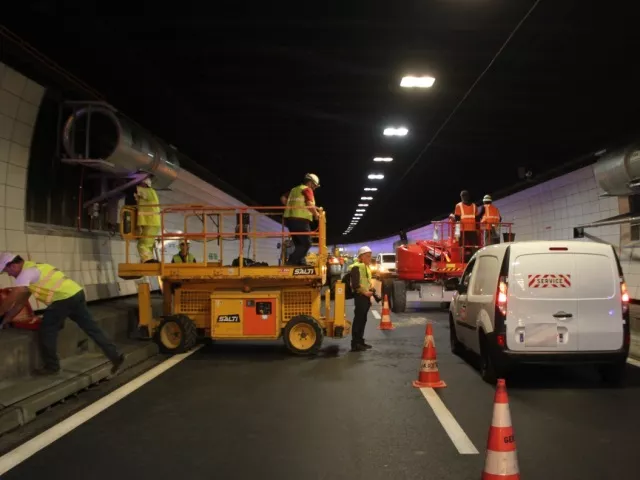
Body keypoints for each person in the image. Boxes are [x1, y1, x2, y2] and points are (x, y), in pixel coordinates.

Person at [0, 253, 125, 376]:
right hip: (76, 294)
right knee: (91, 328)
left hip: (62, 300)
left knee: (47, 330)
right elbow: (20, 303)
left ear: (12, 266)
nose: (9, 274)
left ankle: (52, 367)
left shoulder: (25, 273)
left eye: (7, 271)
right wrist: (6, 319)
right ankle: (115, 356)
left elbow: (11, 298)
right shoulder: (35, 267)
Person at [280, 173, 321, 266]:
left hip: (290, 220)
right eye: (314, 186)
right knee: (307, 244)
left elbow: (282, 198)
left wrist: (290, 206)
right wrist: (316, 214)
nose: (314, 188)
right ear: (310, 183)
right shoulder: (307, 189)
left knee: (299, 244)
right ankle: (290, 262)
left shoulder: (294, 189)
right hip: (301, 220)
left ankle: (300, 262)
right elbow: (310, 204)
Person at [349, 246, 374, 352]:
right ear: (361, 257)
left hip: (365, 297)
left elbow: (366, 282)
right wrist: (365, 292)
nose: (370, 258)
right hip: (360, 296)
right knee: (359, 320)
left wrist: (370, 291)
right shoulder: (356, 267)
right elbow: (355, 285)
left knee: (363, 319)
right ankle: (355, 344)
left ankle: (360, 341)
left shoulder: (366, 267)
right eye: (368, 256)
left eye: (370, 256)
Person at [135, 176, 160, 263]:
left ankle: (148, 260)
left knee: (142, 245)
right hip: (152, 222)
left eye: (140, 183)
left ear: (145, 184)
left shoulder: (149, 191)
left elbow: (136, 190)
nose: (139, 185)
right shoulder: (151, 193)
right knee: (148, 244)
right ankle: (149, 260)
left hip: (150, 222)